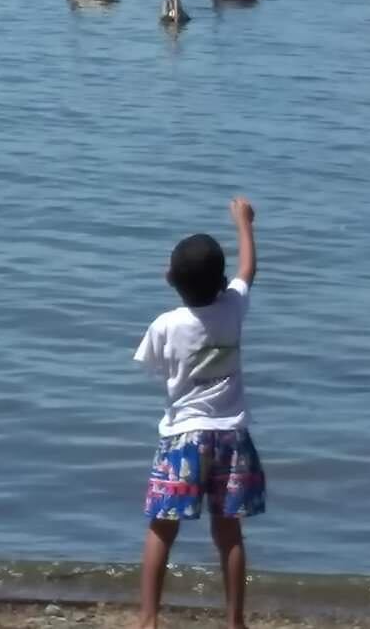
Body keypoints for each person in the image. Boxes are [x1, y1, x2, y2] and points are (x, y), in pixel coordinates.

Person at [133, 197, 265, 629]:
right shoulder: (233, 307)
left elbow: (155, 367)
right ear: (220, 281)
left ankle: (149, 618)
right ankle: (235, 622)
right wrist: (244, 223)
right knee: (229, 534)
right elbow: (249, 271)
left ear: (170, 279)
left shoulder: (166, 324)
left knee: (161, 529)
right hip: (230, 436)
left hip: (183, 437)